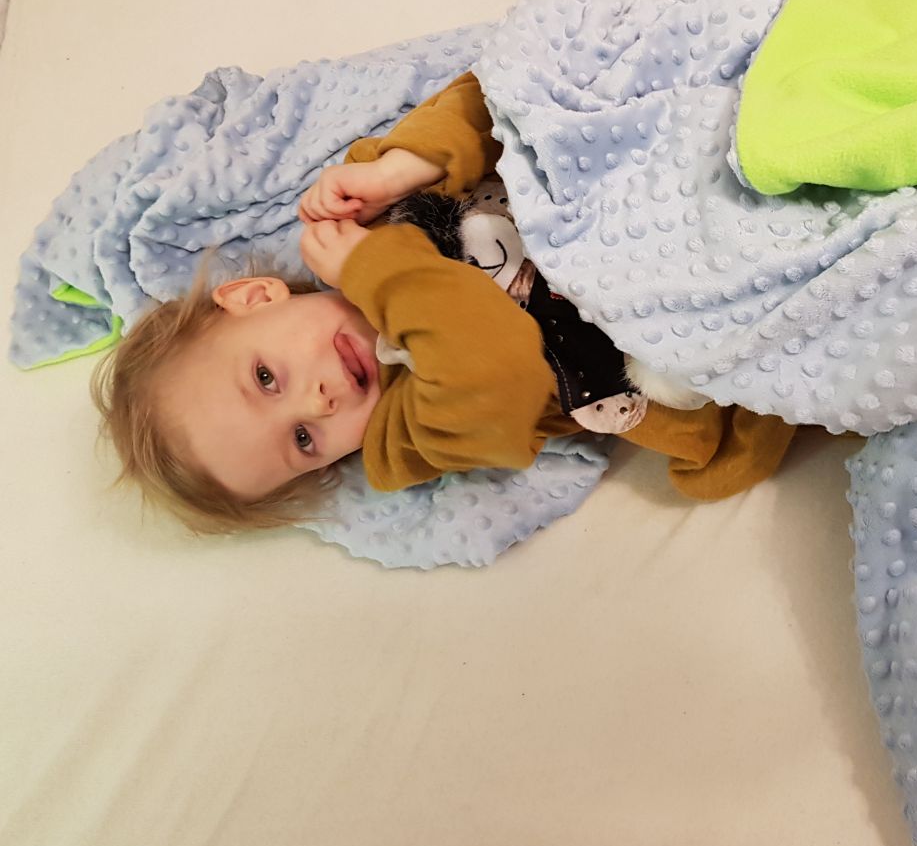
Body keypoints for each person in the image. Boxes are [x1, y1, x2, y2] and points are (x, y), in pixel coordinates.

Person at [92, 72, 796, 533]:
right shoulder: (410, 436)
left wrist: (408, 166)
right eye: (302, 441)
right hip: (707, 337)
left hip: (649, 185)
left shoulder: (364, 213)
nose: (318, 402)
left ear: (253, 297)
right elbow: (498, 367)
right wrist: (377, 272)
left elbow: (492, 99)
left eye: (266, 378)